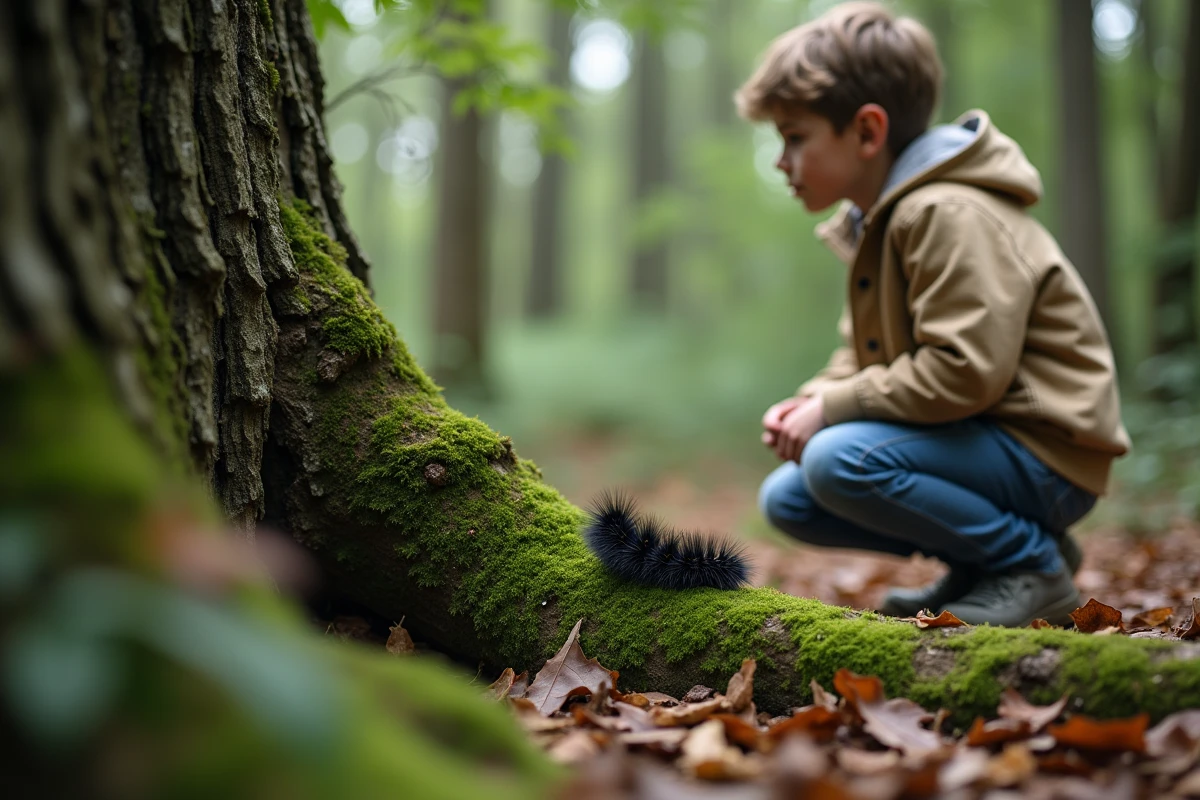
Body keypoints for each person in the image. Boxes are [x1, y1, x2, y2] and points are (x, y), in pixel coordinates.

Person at [739, 1, 1129, 626]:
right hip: (984, 440)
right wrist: (811, 400)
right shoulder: (881, 224)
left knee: (837, 460)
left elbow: (964, 373)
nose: (783, 161)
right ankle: (986, 564)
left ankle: (1032, 565)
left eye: (795, 137)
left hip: (1045, 452)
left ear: (867, 132)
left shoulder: (944, 213)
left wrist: (833, 412)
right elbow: (866, 356)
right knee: (791, 497)